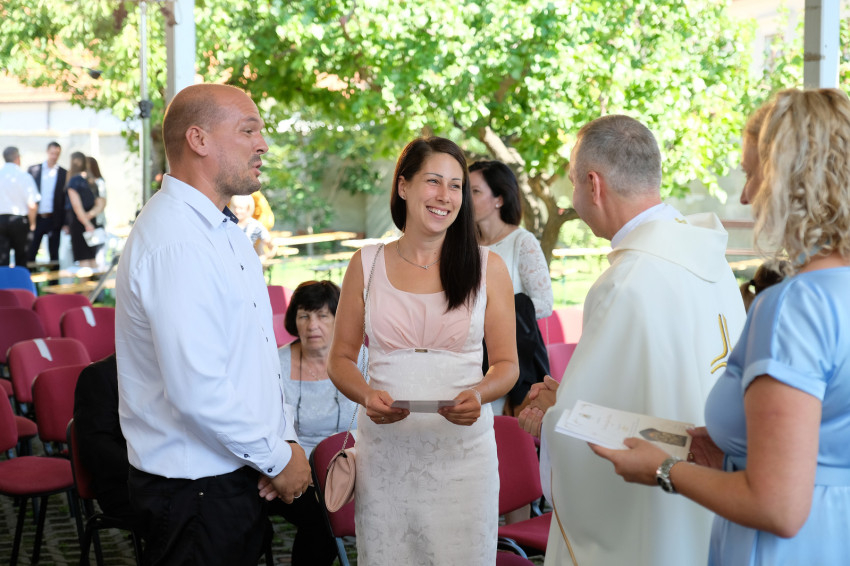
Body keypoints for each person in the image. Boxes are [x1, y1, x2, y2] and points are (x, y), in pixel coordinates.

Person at [591, 88, 850, 566]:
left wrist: (665, 469)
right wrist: (738, 445)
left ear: (793, 181)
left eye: (753, 174)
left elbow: (777, 507)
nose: (747, 195)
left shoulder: (793, 306)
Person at [517, 115, 746, 566]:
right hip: (714, 493)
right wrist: (569, 398)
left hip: (656, 508)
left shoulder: (626, 283)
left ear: (593, 184)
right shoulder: (710, 258)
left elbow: (589, 440)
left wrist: (554, 414)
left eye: (572, 182)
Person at [115, 83, 311, 565]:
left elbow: (253, 360)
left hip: (232, 473)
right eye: (248, 130)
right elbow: (197, 388)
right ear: (198, 139)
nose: (263, 144)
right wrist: (278, 458)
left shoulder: (223, 231)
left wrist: (281, 442)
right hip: (194, 492)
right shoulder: (177, 241)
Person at [328, 136, 519, 565]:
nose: (444, 196)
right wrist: (366, 395)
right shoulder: (366, 263)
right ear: (403, 186)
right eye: (433, 181)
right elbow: (339, 359)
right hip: (386, 456)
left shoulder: (488, 267)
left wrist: (480, 394)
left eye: (456, 186)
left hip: (464, 457)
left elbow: (507, 364)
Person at [269, 280, 357, 566]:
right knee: (322, 519)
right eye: (304, 316)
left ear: (338, 319)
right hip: (294, 467)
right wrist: (284, 466)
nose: (312, 325)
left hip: (352, 464)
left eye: (322, 315)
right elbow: (267, 424)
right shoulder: (275, 364)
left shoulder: (361, 360)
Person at [470, 159, 553, 416]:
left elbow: (544, 303)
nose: (464, 198)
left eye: (475, 191)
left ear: (499, 199)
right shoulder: (462, 246)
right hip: (468, 356)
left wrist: (495, 311)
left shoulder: (522, 242)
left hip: (507, 361)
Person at [73, 355, 137, 523]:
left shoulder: (173, 369)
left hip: (173, 477)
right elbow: (96, 449)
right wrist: (149, 468)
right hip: (126, 484)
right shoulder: (99, 375)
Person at [27, 141, 66, 262]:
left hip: (54, 219)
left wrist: (65, 222)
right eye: (52, 153)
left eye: (57, 154)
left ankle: (55, 276)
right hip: (37, 218)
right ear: (47, 152)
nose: (54, 156)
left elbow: (64, 198)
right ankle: (30, 275)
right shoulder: (34, 170)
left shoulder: (63, 173)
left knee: (54, 254)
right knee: (31, 252)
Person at [0, 147, 39, 267]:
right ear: (17, 158)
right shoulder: (24, 176)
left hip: (1, 221)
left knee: (2, 261)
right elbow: (32, 205)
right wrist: (32, 223)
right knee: (22, 258)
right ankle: (20, 280)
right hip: (19, 221)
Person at [65, 151, 105, 268]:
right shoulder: (91, 179)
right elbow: (100, 203)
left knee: (83, 258)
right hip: (91, 220)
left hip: (79, 222)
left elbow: (76, 205)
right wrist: (90, 216)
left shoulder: (74, 181)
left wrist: (86, 222)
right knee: (92, 257)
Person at [230, 194, 274, 259]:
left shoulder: (255, 226)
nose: (237, 211)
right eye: (235, 207)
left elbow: (272, 246)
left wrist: (263, 257)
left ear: (248, 209)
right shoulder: (227, 223)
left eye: (241, 208)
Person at [86, 156, 108, 229]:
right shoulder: (84, 182)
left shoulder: (99, 182)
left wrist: (87, 216)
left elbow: (102, 202)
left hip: (97, 220)